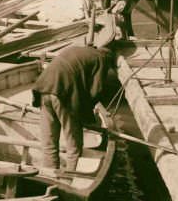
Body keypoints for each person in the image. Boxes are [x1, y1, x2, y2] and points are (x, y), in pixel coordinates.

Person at [32, 44, 116, 173]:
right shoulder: (101, 59)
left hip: (44, 88)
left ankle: (49, 174)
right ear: (109, 59)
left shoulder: (79, 49)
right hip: (63, 94)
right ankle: (70, 176)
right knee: (74, 144)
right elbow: (96, 91)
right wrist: (87, 116)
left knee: (49, 141)